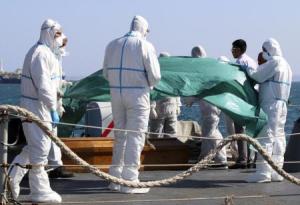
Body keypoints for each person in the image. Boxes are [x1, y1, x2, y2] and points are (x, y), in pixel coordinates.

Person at [8, 19, 65, 203]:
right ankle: (39, 190)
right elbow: (44, 86)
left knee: (34, 147)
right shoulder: (40, 54)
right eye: (57, 34)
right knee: (40, 148)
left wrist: (56, 105)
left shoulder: (46, 53)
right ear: (48, 33)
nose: (60, 38)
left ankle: (11, 180)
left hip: (41, 106)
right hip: (37, 107)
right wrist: (52, 108)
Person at [102, 15, 161, 193]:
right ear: (144, 29)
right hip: (137, 94)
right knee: (136, 135)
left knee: (120, 135)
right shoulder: (145, 45)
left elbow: (105, 72)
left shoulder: (112, 44)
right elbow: (156, 76)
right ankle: (130, 179)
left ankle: (115, 177)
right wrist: (148, 84)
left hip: (116, 94)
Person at [246, 38, 292, 183]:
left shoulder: (275, 62)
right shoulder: (287, 65)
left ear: (268, 50)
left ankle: (263, 173)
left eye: (264, 50)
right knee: (279, 137)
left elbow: (257, 76)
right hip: (281, 105)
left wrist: (247, 68)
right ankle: (277, 172)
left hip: (270, 105)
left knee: (265, 136)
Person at [190, 46, 228, 168]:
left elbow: (203, 88)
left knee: (211, 133)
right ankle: (207, 159)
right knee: (209, 133)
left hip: (211, 107)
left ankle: (219, 159)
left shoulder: (203, 69)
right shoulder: (207, 68)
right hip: (209, 107)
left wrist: (192, 98)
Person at [230, 39, 258, 169]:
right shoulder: (251, 61)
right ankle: (252, 159)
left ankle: (242, 159)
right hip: (253, 98)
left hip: (242, 99)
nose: (232, 51)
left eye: (233, 48)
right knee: (252, 129)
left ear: (239, 49)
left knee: (240, 128)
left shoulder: (240, 62)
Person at [149, 52, 181, 138]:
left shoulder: (172, 75)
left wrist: (178, 105)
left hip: (171, 108)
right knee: (156, 134)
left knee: (171, 134)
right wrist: (152, 107)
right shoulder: (155, 74)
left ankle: (170, 151)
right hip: (158, 109)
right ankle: (156, 151)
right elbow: (151, 91)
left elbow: (176, 91)